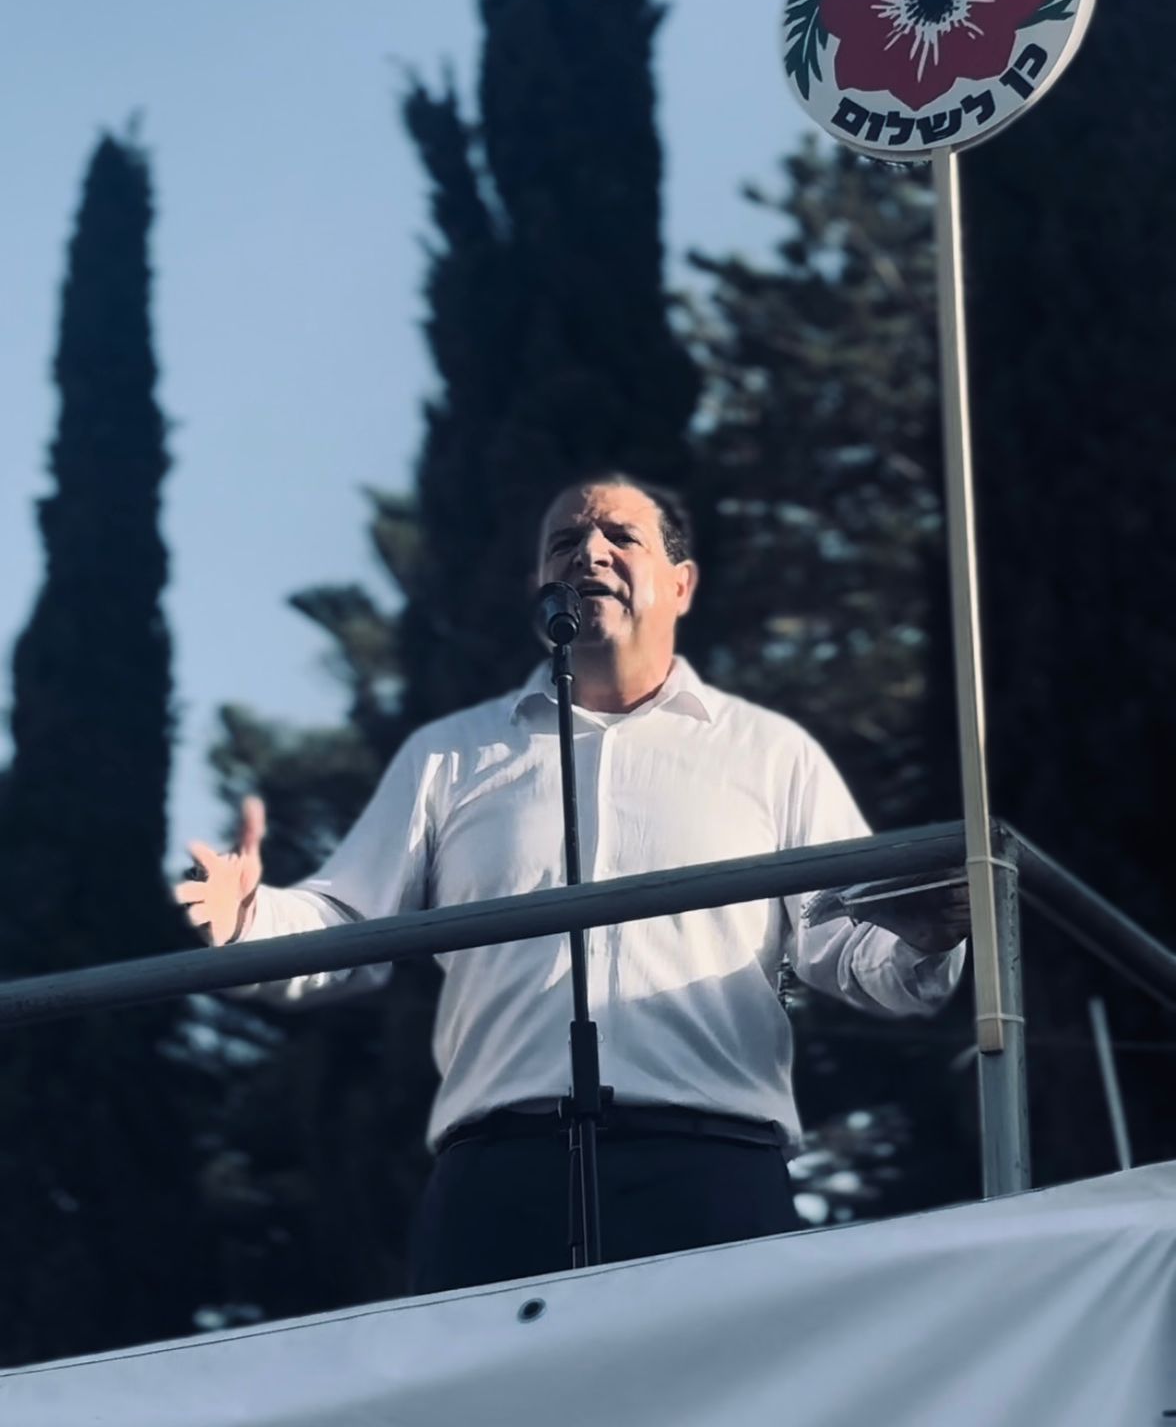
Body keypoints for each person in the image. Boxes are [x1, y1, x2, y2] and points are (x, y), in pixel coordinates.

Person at [177, 476, 968, 1292]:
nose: (589, 552)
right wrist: (250, 919)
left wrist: (922, 936)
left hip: (713, 1166)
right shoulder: (450, 755)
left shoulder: (770, 753)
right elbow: (346, 922)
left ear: (681, 584)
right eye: (565, 542)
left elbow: (849, 939)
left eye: (621, 537)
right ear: (539, 585)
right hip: (501, 1176)